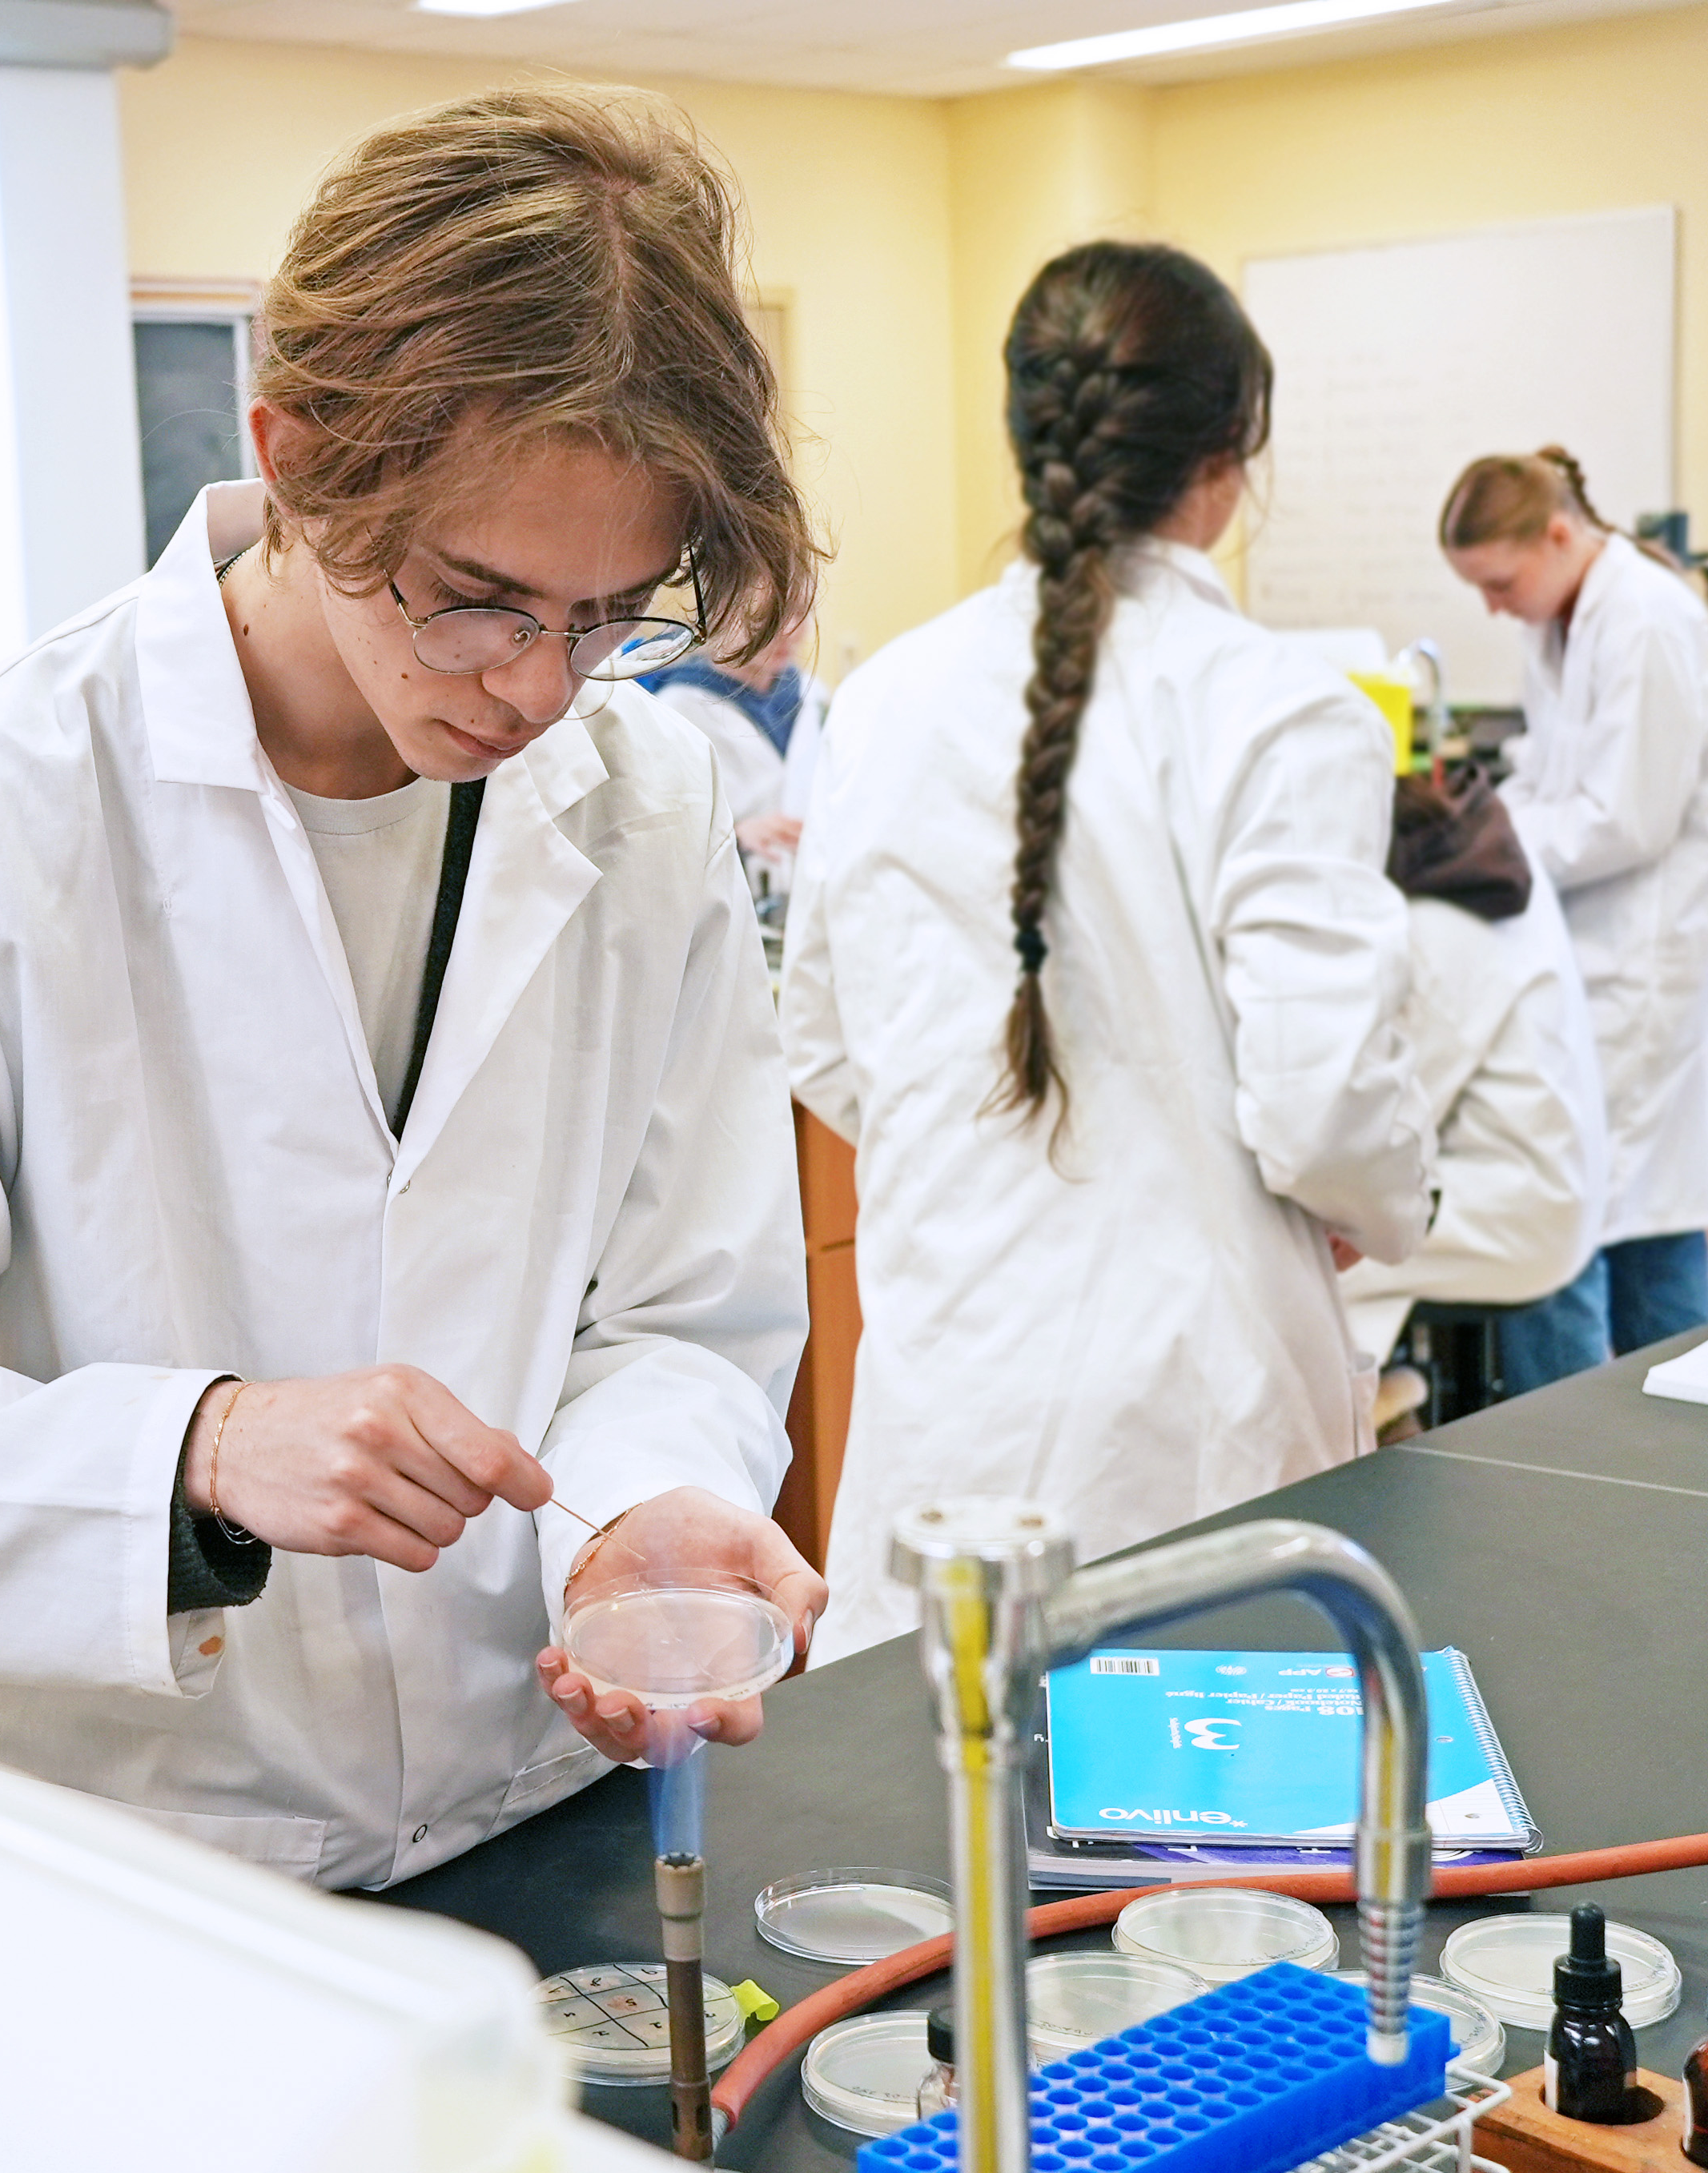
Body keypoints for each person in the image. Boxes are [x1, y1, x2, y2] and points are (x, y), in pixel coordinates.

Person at [0, 87, 826, 1891]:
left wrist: (640, 1513)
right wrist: (193, 1452)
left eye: (605, 615)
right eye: (478, 599)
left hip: (532, 1812)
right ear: (293, 451)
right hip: (145, 1865)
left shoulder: (643, 803)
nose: (535, 690)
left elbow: (682, 1313)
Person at [778, 241, 1430, 1658]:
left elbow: (826, 1040)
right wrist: (1377, 1206)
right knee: (1203, 1842)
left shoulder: (885, 698)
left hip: (952, 1382)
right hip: (1198, 1401)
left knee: (946, 1817)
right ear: (1231, 457)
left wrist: (982, 1154)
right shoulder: (1284, 708)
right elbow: (1327, 1106)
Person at [1438, 447, 1708, 1377]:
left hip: (1638, 962)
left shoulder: (1645, 618)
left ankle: (1603, 1456)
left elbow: (1627, 818)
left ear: (1559, 534)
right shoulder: (1564, 616)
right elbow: (1548, 762)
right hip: (1590, 951)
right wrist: (1487, 809)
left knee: (1574, 1219)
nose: (1492, 607)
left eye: (1498, 581)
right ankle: (1666, 1444)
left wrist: (1495, 841)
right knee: (1638, 1221)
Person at [1338, 762, 1610, 1394]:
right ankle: (1382, 1408)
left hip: (1514, 1208)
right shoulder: (1482, 864)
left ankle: (1370, 1432)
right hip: (1539, 1184)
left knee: (1301, 1272)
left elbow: (1384, 1122)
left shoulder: (1437, 930)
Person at [642, 602, 825, 886]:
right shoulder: (676, 711)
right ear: (716, 611)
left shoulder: (812, 694)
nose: (789, 629)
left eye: (801, 611)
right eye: (764, 615)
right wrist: (735, 839)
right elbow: (654, 845)